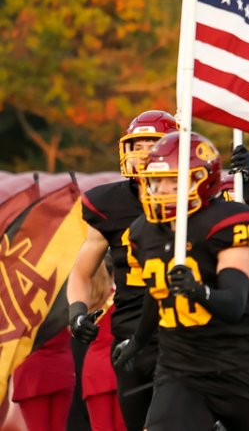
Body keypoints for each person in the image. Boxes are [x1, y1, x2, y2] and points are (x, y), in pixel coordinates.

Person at [113, 131, 249, 430]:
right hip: (180, 368)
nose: (163, 190)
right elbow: (158, 291)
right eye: (157, 181)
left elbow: (233, 303)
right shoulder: (143, 231)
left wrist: (197, 290)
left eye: (174, 182)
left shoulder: (229, 221)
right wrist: (138, 340)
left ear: (203, 180)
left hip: (237, 367)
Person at [64, 110, 177, 431]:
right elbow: (82, 272)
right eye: (135, 144)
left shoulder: (194, 199)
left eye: (149, 144)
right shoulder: (108, 203)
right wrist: (77, 312)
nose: (140, 153)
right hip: (129, 338)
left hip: (183, 335)